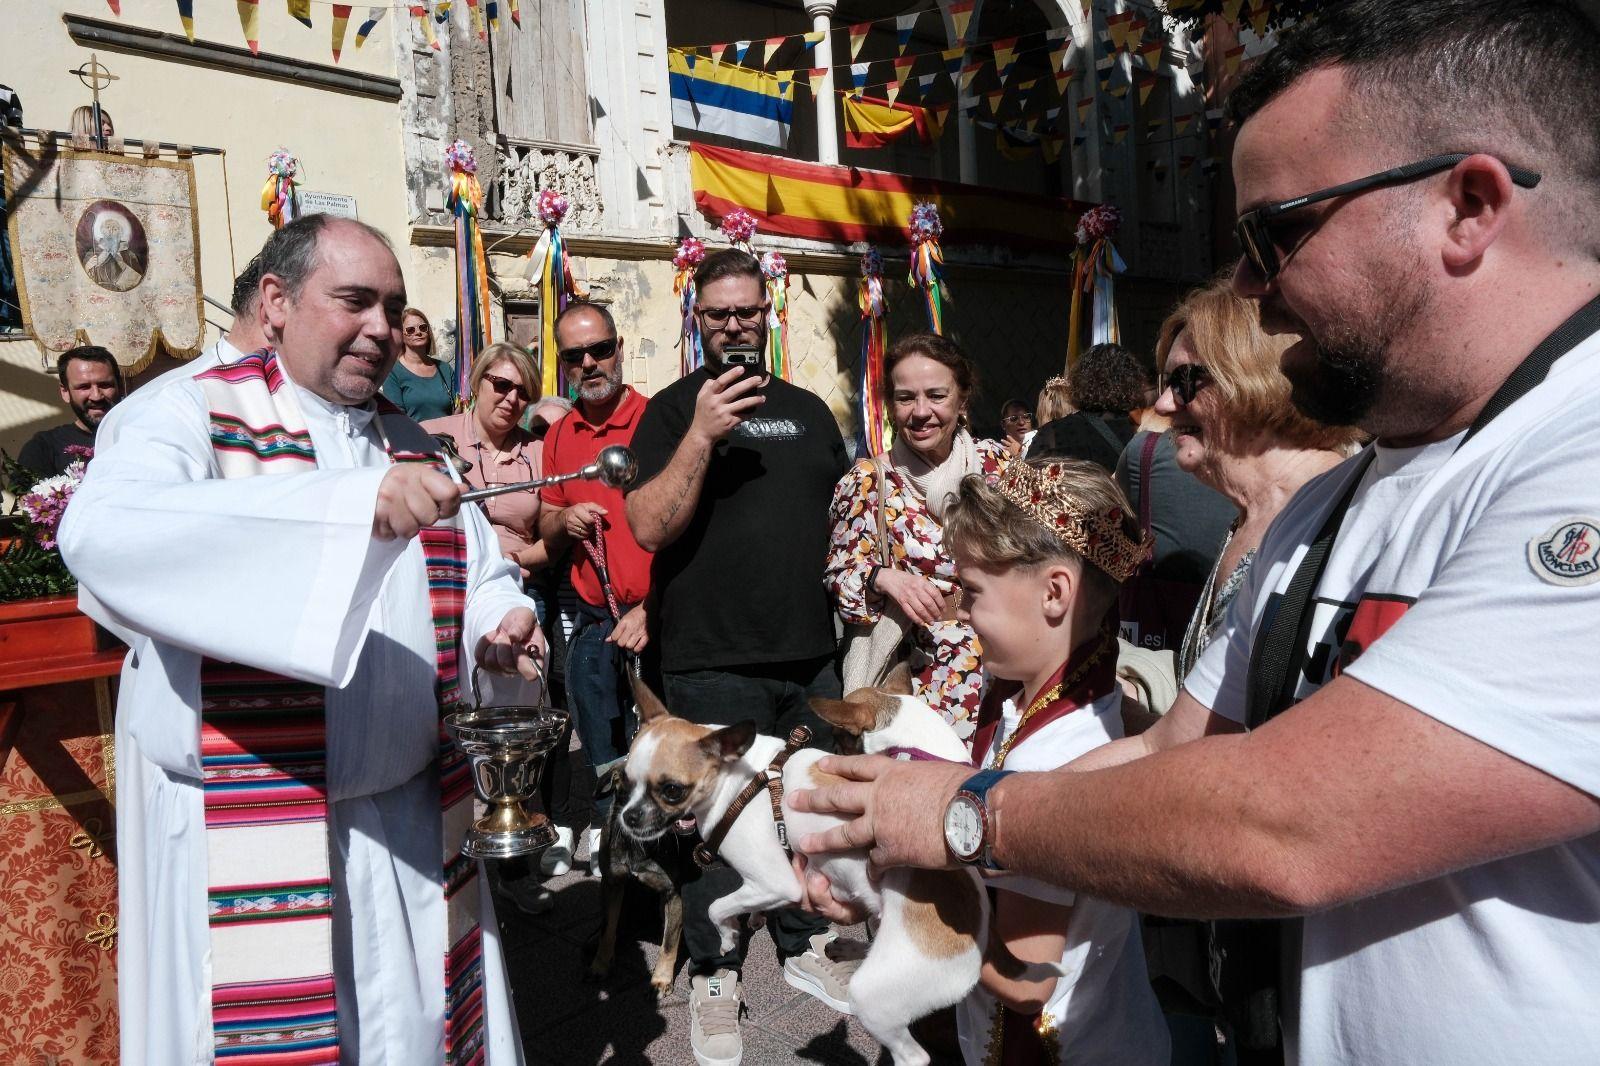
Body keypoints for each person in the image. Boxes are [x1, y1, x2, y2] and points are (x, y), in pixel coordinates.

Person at [791, 5, 1600, 1066]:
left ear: (1468, 206)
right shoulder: (1335, 501)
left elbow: (1289, 824)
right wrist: (879, 826)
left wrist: (957, 816)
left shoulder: (1576, 449)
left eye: (1275, 233)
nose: (1252, 290)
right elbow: (1173, 754)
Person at [59, 213, 544, 1064]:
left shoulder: (408, 440)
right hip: (247, 836)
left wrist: (495, 628)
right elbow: (104, 539)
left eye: (394, 309)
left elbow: (477, 575)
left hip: (408, 829)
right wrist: (348, 510)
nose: (382, 330)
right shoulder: (183, 413)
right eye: (354, 301)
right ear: (277, 302)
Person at [624, 248, 855, 1066]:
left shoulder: (810, 412)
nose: (734, 326)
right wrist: (701, 434)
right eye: (718, 313)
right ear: (698, 316)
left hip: (808, 655)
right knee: (707, 827)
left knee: (809, 813)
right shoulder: (667, 412)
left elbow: (849, 519)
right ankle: (717, 976)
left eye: (746, 312)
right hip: (711, 658)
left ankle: (801, 945)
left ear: (768, 312)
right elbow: (649, 526)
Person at [941, 458, 1167, 1066]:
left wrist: (902, 901)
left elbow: (1025, 978)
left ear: (1054, 592)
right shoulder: (1050, 701)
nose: (962, 613)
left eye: (973, 592)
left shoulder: (1054, 756)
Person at [825, 331, 1007, 742]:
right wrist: (882, 578)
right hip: (918, 679)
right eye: (906, 398)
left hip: (1004, 665)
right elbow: (838, 576)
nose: (920, 411)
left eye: (936, 396)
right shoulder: (870, 482)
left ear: (962, 400)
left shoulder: (997, 466)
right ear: (890, 406)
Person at [536, 302, 652, 875]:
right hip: (593, 613)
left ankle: (660, 840)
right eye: (574, 356)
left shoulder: (659, 421)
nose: (589, 363)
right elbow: (547, 523)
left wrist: (653, 609)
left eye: (599, 349)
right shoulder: (560, 434)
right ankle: (611, 833)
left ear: (620, 346)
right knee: (599, 735)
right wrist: (568, 518)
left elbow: (690, 527)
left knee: (658, 741)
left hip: (659, 616)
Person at [422, 340, 550, 581]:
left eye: (523, 393)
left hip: (515, 579)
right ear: (477, 382)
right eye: (502, 385)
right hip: (445, 575)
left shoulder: (540, 452)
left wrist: (511, 562)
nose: (512, 399)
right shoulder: (429, 437)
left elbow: (553, 541)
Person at [1026, 342, 1145, 471]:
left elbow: (1028, 482)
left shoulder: (1053, 433)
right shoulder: (1145, 431)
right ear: (1132, 382)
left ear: (1080, 381)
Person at [17, 345, 123, 476]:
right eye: (84, 387)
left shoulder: (142, 435)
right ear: (65, 392)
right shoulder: (43, 448)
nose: (96, 396)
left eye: (105, 385)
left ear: (120, 386)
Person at [382, 306, 457, 420]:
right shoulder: (393, 373)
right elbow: (396, 419)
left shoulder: (444, 369)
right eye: (410, 330)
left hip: (448, 436)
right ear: (401, 335)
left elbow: (457, 411)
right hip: (413, 437)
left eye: (423, 328)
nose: (418, 332)